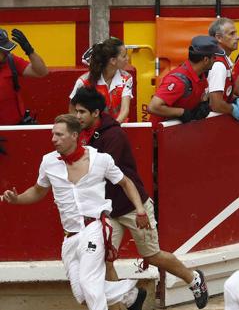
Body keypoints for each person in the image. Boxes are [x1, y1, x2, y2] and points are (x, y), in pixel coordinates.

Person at [70, 87, 209, 308]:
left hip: (133, 207)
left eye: (81, 112)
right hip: (109, 210)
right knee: (104, 261)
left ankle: (194, 278)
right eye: (76, 112)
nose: (77, 117)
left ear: (96, 113)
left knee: (152, 255)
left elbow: (101, 173)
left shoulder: (113, 135)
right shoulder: (87, 133)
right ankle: (128, 300)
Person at [0, 114, 148, 310]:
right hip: (70, 236)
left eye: (59, 135)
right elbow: (38, 191)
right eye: (53, 134)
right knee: (82, 293)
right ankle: (131, 295)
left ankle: (127, 296)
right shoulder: (49, 162)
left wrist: (139, 209)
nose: (53, 139)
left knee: (90, 284)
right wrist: (17, 200)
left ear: (74, 135)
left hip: (95, 226)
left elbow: (125, 182)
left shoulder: (100, 159)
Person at [148, 35, 216, 123]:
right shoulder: (178, 81)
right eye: (214, 57)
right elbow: (153, 107)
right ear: (206, 60)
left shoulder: (201, 76)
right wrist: (182, 112)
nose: (216, 60)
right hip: (160, 133)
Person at [69, 37, 133, 123]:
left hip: (117, 127)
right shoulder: (84, 81)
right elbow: (72, 110)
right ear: (113, 61)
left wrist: (113, 127)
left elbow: (124, 110)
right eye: (124, 56)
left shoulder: (127, 78)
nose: (127, 58)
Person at [0, 28, 48, 125]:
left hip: (14, 128)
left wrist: (29, 50)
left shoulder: (10, 60)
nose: (7, 53)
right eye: (3, 50)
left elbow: (41, 72)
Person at [207, 18, 239, 122]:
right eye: (232, 34)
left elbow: (223, 92)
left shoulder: (224, 60)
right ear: (218, 38)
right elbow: (216, 104)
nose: (238, 37)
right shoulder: (219, 65)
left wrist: (235, 99)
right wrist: (232, 109)